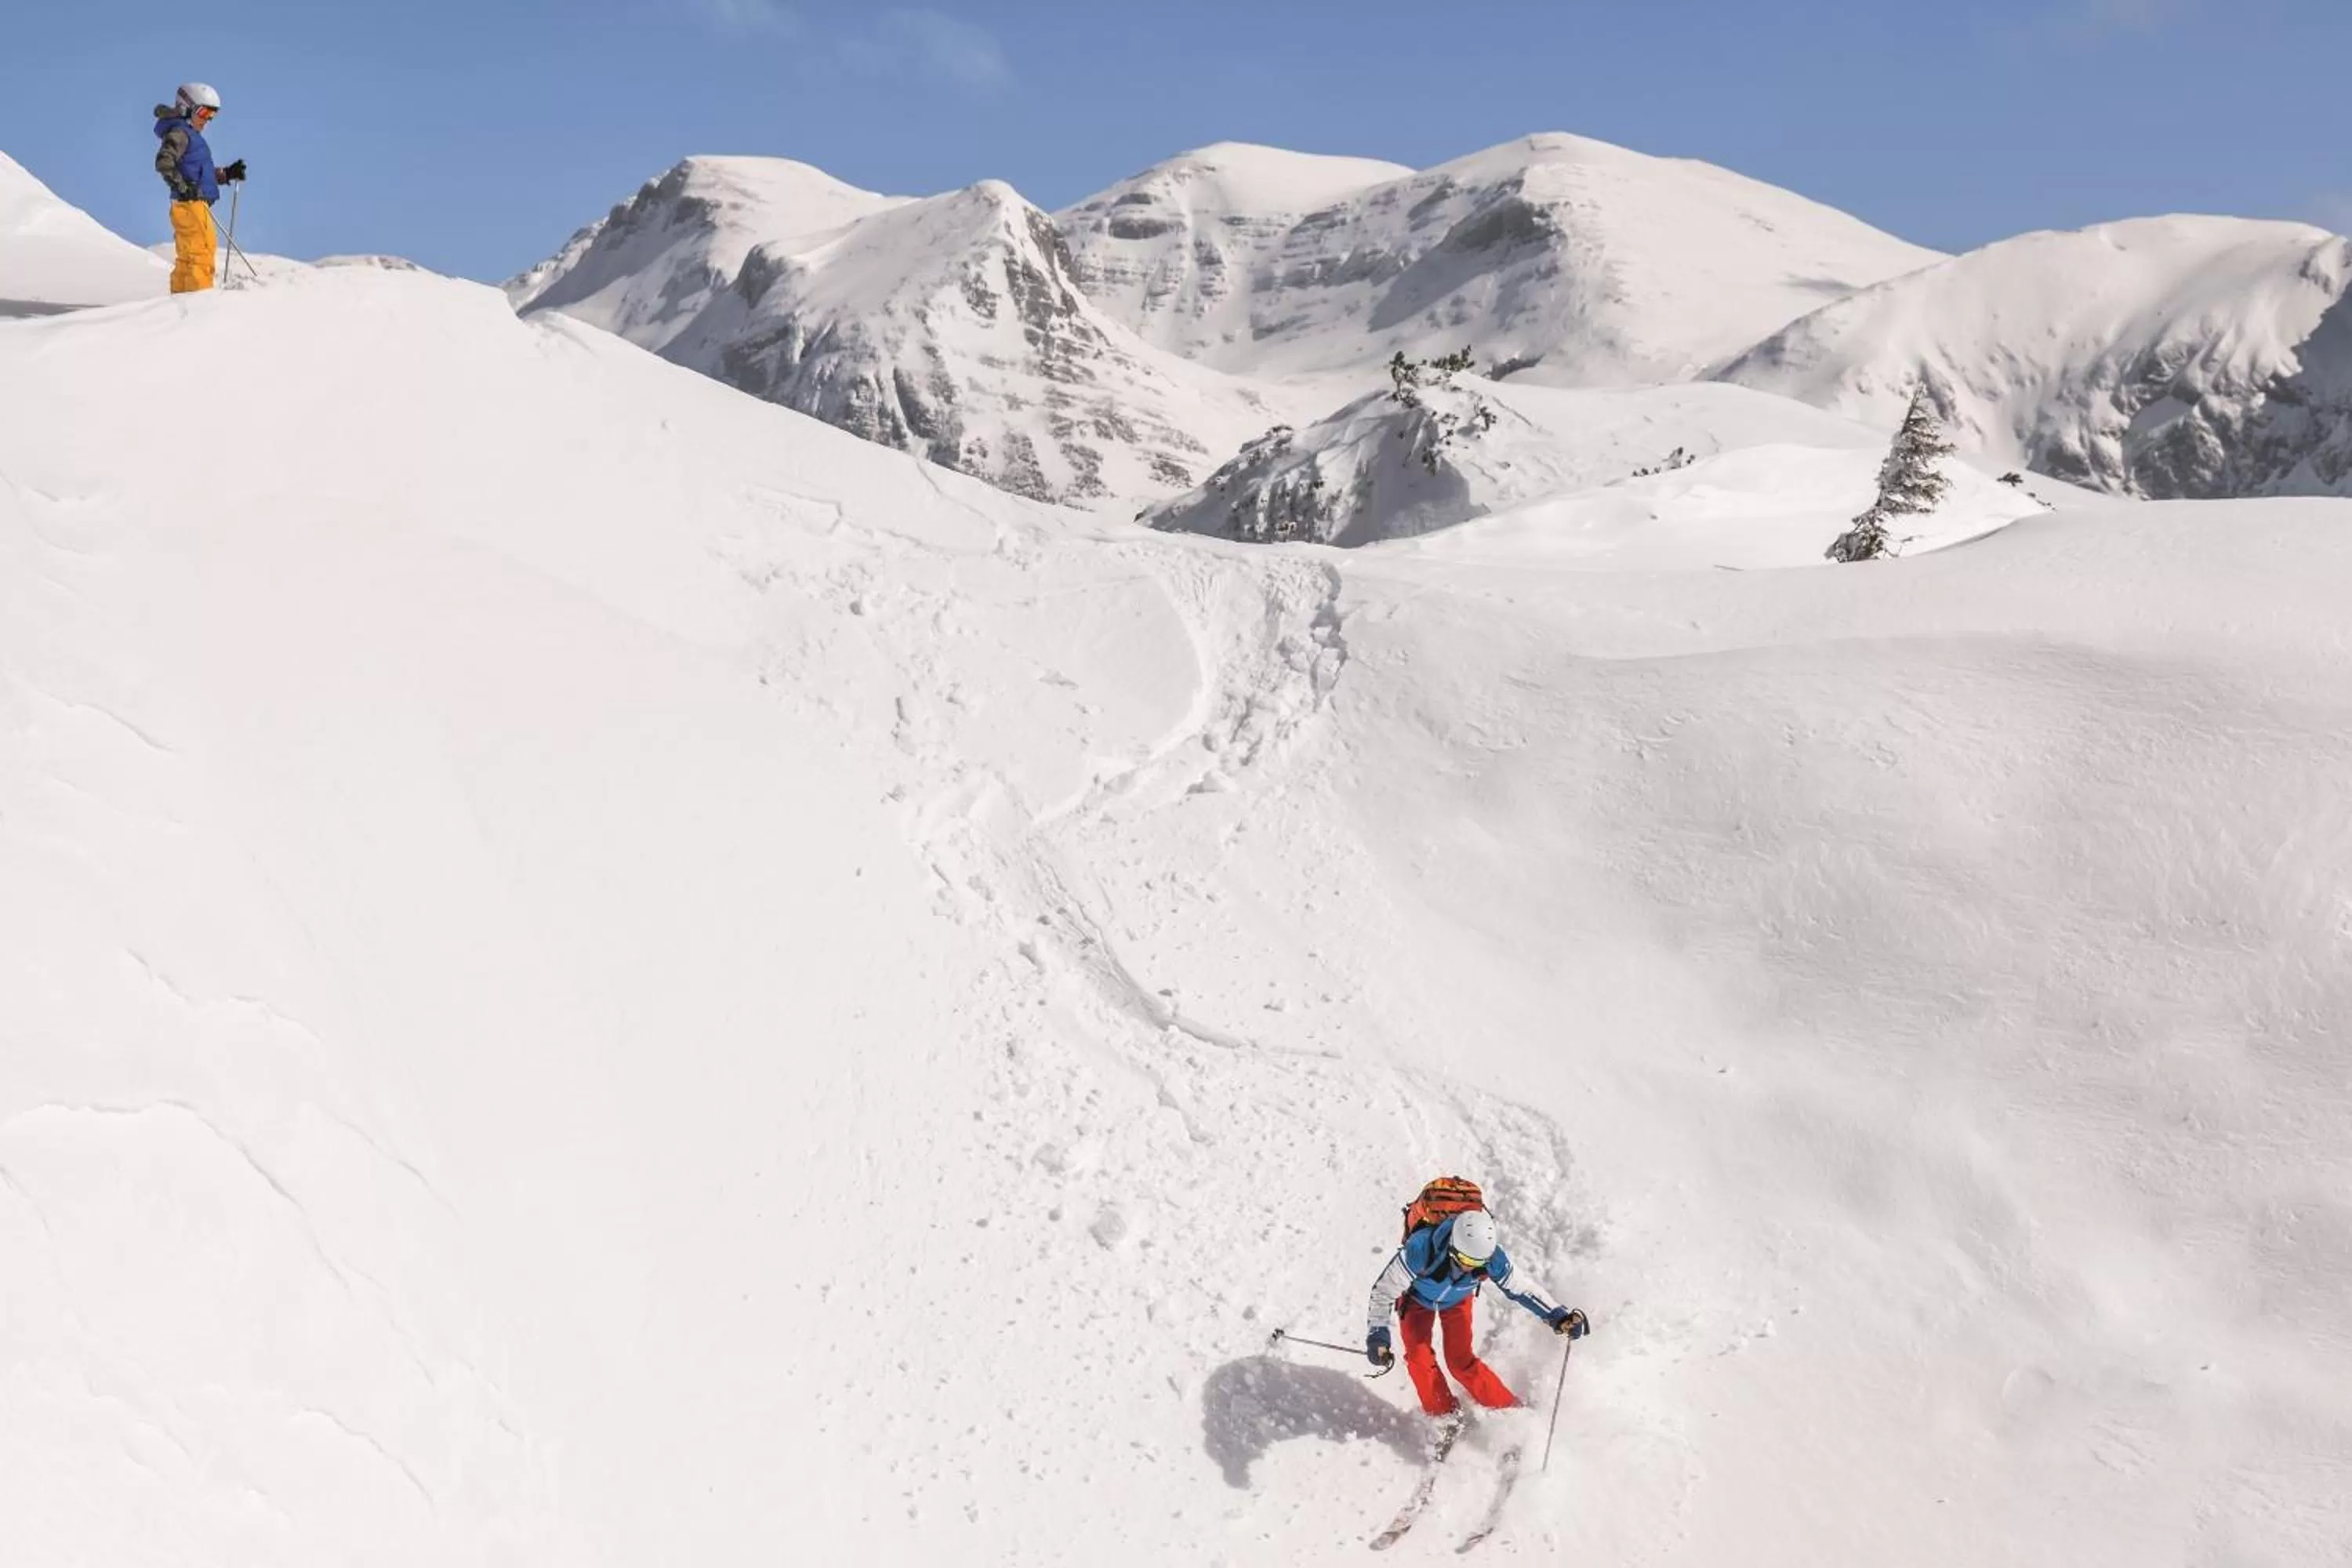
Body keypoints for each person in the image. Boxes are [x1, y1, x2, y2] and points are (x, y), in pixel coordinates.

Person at [1366, 1203, 1588, 1420]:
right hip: (1417, 1299)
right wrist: (1378, 1334)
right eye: (1466, 1260)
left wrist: (1558, 1316)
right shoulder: (1420, 1248)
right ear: (1454, 1245)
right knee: (1418, 1359)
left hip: (1457, 1300)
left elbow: (1522, 1289)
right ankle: (1445, 1418)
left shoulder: (1492, 1258)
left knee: (1460, 1361)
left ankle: (1511, 1414)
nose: (1471, 1267)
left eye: (1478, 1262)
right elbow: (1384, 1291)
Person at [153, 82, 247, 294]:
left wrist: (226, 174)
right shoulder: (181, 134)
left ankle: (181, 299)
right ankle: (199, 301)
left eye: (212, 115)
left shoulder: (188, 135)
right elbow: (164, 162)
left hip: (186, 204)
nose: (207, 119)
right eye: (203, 112)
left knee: (188, 257)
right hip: (191, 205)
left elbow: (197, 174)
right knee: (203, 252)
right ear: (186, 107)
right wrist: (183, 188)